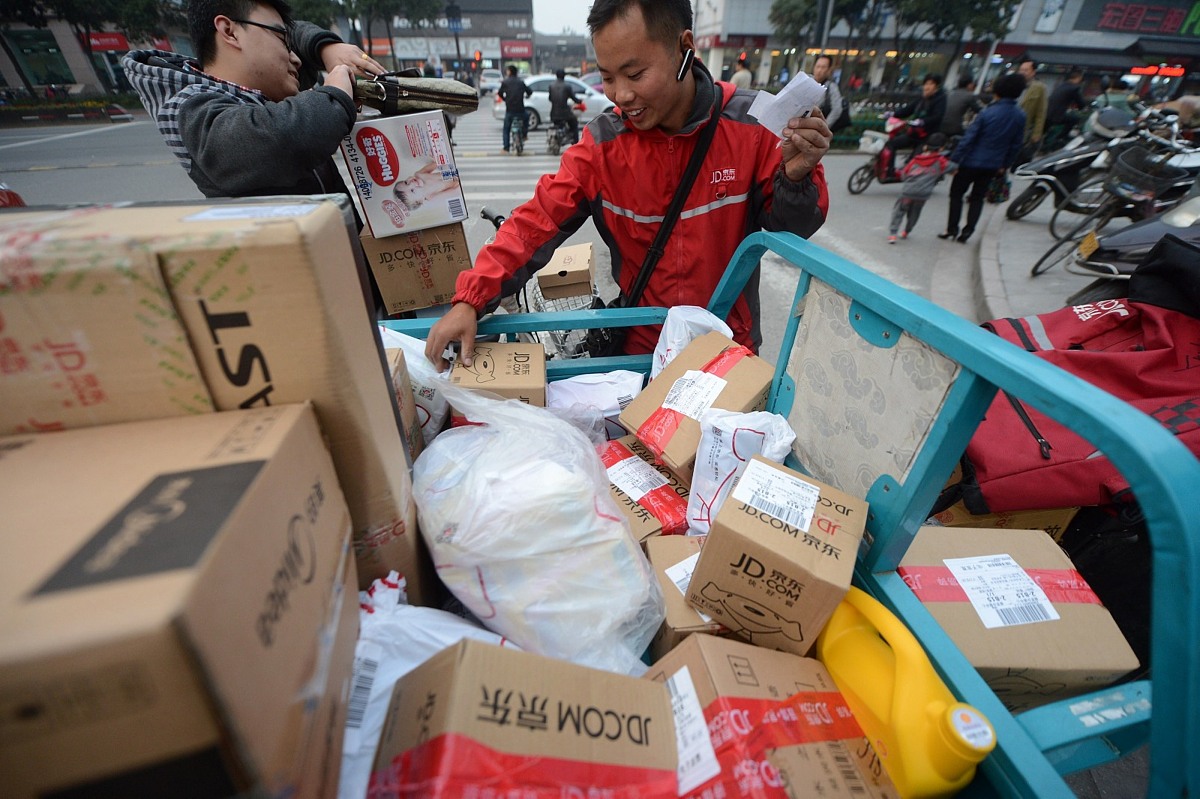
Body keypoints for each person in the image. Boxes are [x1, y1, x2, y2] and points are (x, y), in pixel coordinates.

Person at [424, 0, 830, 369]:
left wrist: (796, 177)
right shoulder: (603, 146)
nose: (621, 94)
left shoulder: (753, 125)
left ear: (683, 48)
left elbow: (793, 228)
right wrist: (470, 300)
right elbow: (535, 221)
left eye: (635, 74)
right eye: (607, 77)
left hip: (729, 352)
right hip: (641, 356)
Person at [122, 0, 384, 202]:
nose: (295, 58)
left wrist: (325, 47)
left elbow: (297, 30)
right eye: (283, 40)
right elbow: (282, 139)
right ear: (230, 32)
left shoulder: (262, 89)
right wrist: (335, 94)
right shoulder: (191, 110)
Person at [940, 72, 1026, 244]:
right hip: (993, 165)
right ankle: (967, 232)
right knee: (977, 198)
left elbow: (968, 139)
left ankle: (952, 229)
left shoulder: (987, 113)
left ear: (997, 91)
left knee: (956, 194)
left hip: (969, 162)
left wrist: (955, 160)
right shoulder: (1020, 116)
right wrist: (1005, 164)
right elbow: (1016, 145)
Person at [888, 132, 951, 243]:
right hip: (923, 195)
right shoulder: (941, 161)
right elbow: (950, 168)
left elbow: (904, 174)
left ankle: (893, 234)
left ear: (925, 147)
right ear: (941, 148)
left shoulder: (915, 160)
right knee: (915, 213)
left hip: (908, 191)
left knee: (899, 211)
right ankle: (906, 231)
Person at [882, 74, 946, 179]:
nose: (927, 87)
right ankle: (890, 171)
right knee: (890, 144)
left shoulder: (941, 99)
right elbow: (908, 110)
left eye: (931, 84)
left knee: (914, 161)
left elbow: (937, 116)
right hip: (914, 133)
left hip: (927, 137)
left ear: (936, 86)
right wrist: (893, 114)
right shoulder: (922, 99)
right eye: (926, 84)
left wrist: (923, 121)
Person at [1017, 57, 1047, 156]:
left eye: (1026, 70)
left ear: (1033, 72)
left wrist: (1036, 133)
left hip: (1024, 128)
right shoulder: (1013, 83)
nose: (1022, 72)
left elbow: (1041, 112)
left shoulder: (1039, 88)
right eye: (1021, 70)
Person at [498, 65, 532, 154]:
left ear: (510, 72)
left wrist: (505, 99)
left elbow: (499, 93)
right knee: (526, 118)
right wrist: (527, 96)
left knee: (506, 129)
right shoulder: (521, 82)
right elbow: (530, 91)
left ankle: (506, 148)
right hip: (520, 109)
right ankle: (524, 135)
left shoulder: (505, 82)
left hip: (509, 110)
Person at [548, 68, 581, 144]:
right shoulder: (567, 86)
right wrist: (580, 101)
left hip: (553, 114)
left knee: (557, 123)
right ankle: (575, 144)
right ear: (564, 76)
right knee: (574, 124)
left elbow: (550, 98)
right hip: (565, 113)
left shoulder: (551, 86)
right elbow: (574, 98)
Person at [812, 54, 843, 130]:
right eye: (818, 66)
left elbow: (837, 109)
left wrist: (823, 127)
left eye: (823, 67)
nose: (819, 70)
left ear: (829, 70)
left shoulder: (831, 87)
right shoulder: (807, 82)